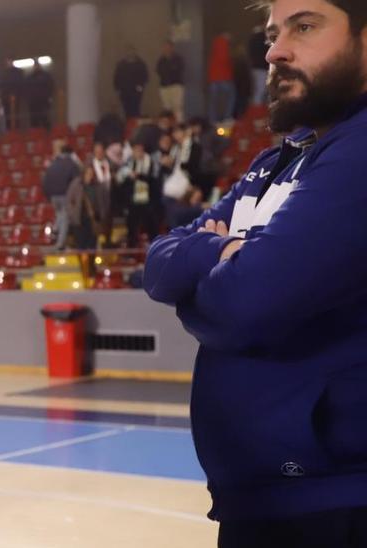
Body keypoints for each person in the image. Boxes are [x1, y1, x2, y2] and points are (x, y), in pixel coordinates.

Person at [146, 1, 367, 545]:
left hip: (334, 502)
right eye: (272, 34)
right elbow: (158, 264)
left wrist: (220, 268)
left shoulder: (360, 151)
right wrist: (220, 254)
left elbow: (245, 304)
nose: (274, 51)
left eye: (305, 27)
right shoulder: (273, 164)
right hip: (268, 498)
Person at [120, 142, 162, 248]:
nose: (138, 153)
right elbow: (121, 179)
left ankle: (154, 248)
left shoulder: (151, 163)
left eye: (140, 150)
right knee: (132, 226)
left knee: (151, 226)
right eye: (136, 150)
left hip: (149, 201)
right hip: (133, 201)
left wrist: (139, 176)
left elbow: (154, 181)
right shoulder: (128, 164)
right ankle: (131, 250)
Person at [43, 145, 81, 249]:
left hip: (53, 196)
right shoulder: (72, 164)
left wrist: (48, 196)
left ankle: (55, 229)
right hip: (65, 195)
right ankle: (60, 243)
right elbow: (77, 181)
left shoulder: (53, 164)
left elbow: (45, 181)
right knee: (64, 218)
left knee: (60, 214)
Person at [67, 166, 110, 249]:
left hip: (93, 220)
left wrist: (102, 214)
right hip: (79, 220)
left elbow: (105, 201)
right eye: (88, 174)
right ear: (84, 174)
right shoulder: (76, 185)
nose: (90, 176)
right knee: (80, 245)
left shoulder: (98, 186)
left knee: (92, 245)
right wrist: (72, 214)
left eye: (92, 174)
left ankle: (91, 261)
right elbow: (69, 201)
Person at [115, 46, 150, 120]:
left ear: (135, 52)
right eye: (128, 51)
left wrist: (140, 87)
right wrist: (117, 89)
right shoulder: (121, 64)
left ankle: (136, 126)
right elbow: (117, 77)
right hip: (124, 91)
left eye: (132, 51)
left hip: (136, 92)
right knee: (126, 110)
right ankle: (128, 125)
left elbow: (145, 77)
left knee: (136, 109)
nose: (130, 53)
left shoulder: (140, 64)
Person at [209, 32, 237, 123]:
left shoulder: (215, 43)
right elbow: (224, 58)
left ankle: (213, 119)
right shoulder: (224, 43)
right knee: (232, 95)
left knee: (214, 100)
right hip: (224, 76)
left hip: (214, 77)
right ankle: (227, 116)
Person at [157, 41, 187, 121]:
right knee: (167, 108)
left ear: (172, 48)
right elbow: (159, 71)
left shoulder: (178, 59)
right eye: (165, 47)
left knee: (177, 107)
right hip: (164, 86)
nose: (166, 49)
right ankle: (168, 125)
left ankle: (179, 124)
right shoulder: (161, 60)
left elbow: (180, 69)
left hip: (176, 86)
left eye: (168, 47)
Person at [26, 61, 56, 129]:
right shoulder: (30, 78)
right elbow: (26, 89)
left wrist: (49, 97)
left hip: (43, 102)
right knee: (34, 122)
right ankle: (35, 136)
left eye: (37, 65)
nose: (36, 67)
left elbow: (51, 87)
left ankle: (47, 136)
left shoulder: (46, 76)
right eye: (35, 66)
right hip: (33, 103)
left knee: (45, 120)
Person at [0, 58, 26, 129]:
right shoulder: (4, 73)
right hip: (6, 99)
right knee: (8, 117)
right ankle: (10, 132)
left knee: (15, 116)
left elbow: (20, 85)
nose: (8, 63)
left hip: (15, 98)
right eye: (7, 61)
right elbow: (1, 85)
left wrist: (16, 95)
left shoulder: (17, 73)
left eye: (9, 61)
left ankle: (16, 131)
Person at [248, 25, 271, 105]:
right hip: (261, 68)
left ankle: (256, 110)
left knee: (257, 90)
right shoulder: (261, 37)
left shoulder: (252, 37)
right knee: (261, 90)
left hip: (255, 67)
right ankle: (257, 111)